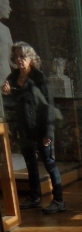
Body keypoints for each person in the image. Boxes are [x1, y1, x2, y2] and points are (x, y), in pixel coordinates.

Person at [1, 42, 65, 213]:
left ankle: (59, 201)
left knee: (49, 164)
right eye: (16, 57)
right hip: (24, 130)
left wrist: (48, 132)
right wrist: (6, 92)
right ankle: (35, 197)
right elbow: (11, 103)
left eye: (23, 56)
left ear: (31, 58)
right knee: (31, 165)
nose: (19, 60)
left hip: (41, 128)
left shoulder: (39, 78)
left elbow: (49, 106)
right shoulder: (13, 77)